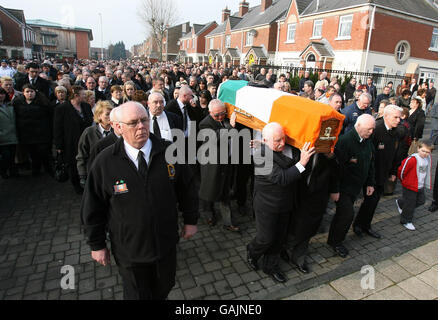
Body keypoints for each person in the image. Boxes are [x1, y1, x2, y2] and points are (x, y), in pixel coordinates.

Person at [81, 102, 199, 300]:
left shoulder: (170, 152)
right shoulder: (105, 161)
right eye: (133, 123)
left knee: (165, 286)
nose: (141, 126)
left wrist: (190, 220)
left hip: (165, 243)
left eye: (144, 120)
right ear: (118, 127)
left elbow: (187, 189)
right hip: (130, 250)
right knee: (137, 294)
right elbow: (93, 205)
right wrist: (97, 244)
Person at [247, 123, 315, 283]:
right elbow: (281, 178)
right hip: (267, 206)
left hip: (285, 203)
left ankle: (270, 266)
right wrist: (302, 163)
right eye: (277, 141)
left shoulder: (288, 149)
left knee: (279, 238)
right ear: (265, 140)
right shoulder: (260, 156)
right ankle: (252, 251)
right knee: (266, 238)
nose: (282, 143)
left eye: (283, 139)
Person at [327, 114, 376, 258]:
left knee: (342, 215)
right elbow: (335, 169)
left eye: (373, 129)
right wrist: (334, 190)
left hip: (356, 186)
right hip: (343, 188)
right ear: (358, 126)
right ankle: (336, 242)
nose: (371, 132)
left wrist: (370, 183)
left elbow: (370, 163)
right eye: (369, 129)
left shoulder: (367, 141)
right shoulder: (345, 142)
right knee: (347, 215)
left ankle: (334, 238)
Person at [352, 105, 402, 238]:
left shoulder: (396, 132)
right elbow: (367, 154)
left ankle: (365, 225)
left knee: (373, 202)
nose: (398, 120)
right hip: (371, 174)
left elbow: (395, 154)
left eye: (399, 117)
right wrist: (370, 179)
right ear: (386, 116)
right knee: (369, 201)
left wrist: (393, 172)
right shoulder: (376, 130)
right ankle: (358, 225)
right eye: (395, 117)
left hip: (383, 174)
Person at [198, 100, 240, 232]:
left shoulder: (226, 118)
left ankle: (228, 222)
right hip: (212, 165)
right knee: (208, 191)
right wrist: (230, 127)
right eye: (217, 115)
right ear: (210, 113)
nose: (220, 117)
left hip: (226, 162)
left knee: (225, 193)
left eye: (223, 113)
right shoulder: (204, 123)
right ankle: (208, 214)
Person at [54, 85, 94, 194]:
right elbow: (58, 128)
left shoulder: (86, 106)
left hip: (87, 140)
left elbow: (90, 121)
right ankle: (77, 185)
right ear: (76, 96)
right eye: (83, 94)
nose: (85, 96)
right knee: (73, 164)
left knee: (87, 161)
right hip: (71, 142)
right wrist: (59, 146)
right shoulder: (62, 108)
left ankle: (88, 182)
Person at [13, 84, 53, 176]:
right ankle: (36, 169)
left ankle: (48, 168)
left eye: (31, 91)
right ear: (23, 93)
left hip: (42, 132)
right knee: (33, 153)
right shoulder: (18, 103)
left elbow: (49, 116)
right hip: (27, 134)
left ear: (35, 92)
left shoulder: (43, 102)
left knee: (44, 152)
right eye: (27, 92)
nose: (30, 94)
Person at [396, 140, 433, 231]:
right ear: (418, 149)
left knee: (421, 201)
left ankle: (401, 203)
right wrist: (404, 181)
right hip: (410, 186)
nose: (425, 153)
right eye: (423, 151)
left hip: (420, 186)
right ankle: (405, 220)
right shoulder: (412, 159)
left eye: (427, 152)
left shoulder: (428, 159)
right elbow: (402, 171)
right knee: (410, 204)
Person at [76, 101, 113, 187]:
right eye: (107, 114)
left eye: (112, 114)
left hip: (113, 171)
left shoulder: (117, 131)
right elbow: (81, 155)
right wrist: (82, 175)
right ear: (99, 115)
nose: (110, 117)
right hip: (96, 173)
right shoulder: (89, 132)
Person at [0, 87, 18, 179]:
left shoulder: (10, 105)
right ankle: (3, 171)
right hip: (2, 137)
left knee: (12, 156)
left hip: (12, 135)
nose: (1, 96)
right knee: (5, 156)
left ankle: (12, 171)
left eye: (2, 94)